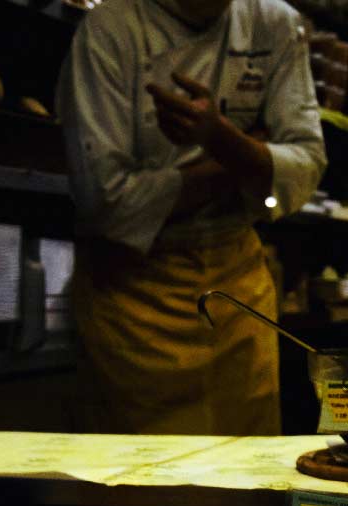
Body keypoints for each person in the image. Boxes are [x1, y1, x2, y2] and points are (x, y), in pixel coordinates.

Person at [57, 0, 326, 434]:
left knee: (245, 475)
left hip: (238, 289)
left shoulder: (273, 22)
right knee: (140, 484)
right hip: (129, 297)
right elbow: (103, 200)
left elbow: (307, 164)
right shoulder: (109, 28)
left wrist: (220, 139)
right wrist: (242, 152)